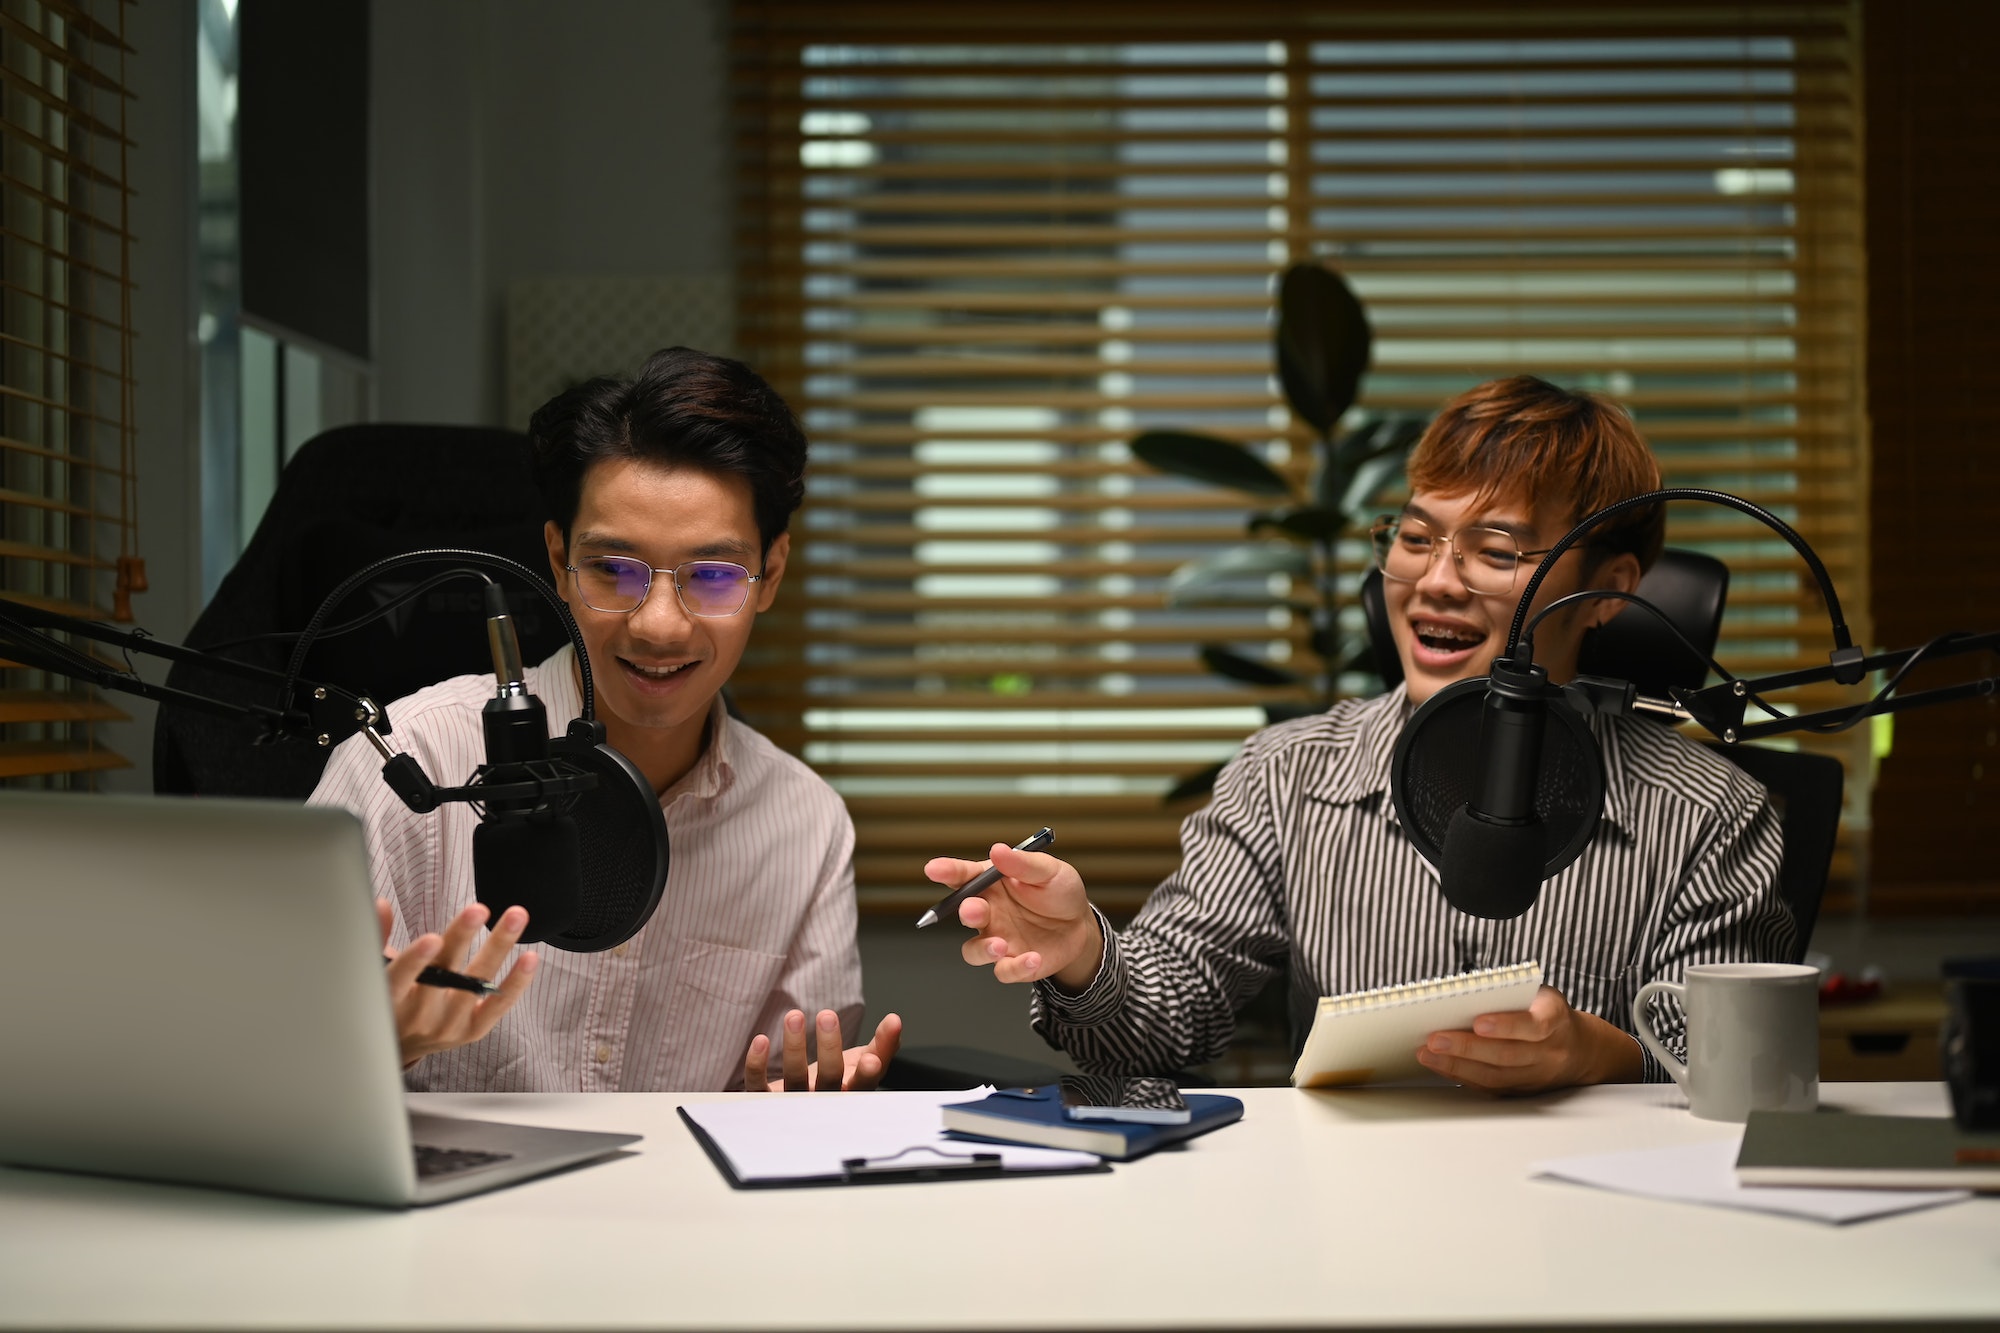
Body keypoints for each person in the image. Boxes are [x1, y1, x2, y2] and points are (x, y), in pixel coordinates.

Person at [927, 375, 1793, 1093]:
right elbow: (1161, 1029)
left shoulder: (1711, 811)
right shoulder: (1286, 776)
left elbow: (1731, 1076)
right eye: (1415, 537)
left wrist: (1600, 1052)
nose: (1435, 581)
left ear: (1610, 590)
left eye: (1495, 552)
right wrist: (1081, 955)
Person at [311, 347, 900, 1092]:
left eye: (713, 576)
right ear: (557, 561)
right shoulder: (403, 760)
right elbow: (258, 1063)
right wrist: (376, 1044)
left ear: (771, 575)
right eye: (613, 570)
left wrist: (782, 1112)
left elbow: (786, 1103)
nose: (658, 626)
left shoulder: (804, 826)